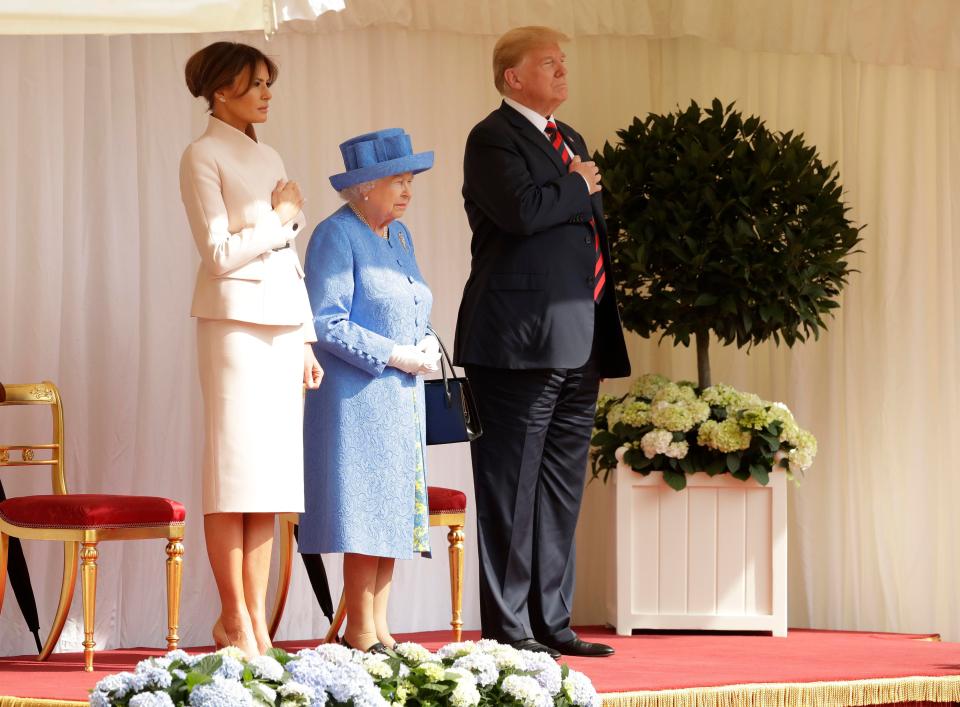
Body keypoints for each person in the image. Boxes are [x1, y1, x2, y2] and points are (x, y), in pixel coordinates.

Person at [453, 26, 631, 658]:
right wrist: (577, 183)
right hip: (515, 344)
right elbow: (524, 214)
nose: (561, 72)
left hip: (578, 339)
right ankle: (509, 628)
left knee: (560, 488)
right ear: (513, 77)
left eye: (563, 63)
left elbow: (587, 239)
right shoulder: (492, 137)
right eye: (548, 64)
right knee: (510, 485)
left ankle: (552, 621)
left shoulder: (571, 139)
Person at [179, 41, 322, 657]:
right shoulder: (201, 155)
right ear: (220, 90)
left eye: (269, 82)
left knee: (272, 482)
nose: (267, 93)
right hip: (234, 325)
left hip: (284, 327)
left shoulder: (272, 153)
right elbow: (217, 253)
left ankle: (258, 622)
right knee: (232, 474)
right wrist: (281, 216)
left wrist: (308, 337)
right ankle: (235, 618)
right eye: (255, 83)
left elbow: (284, 258)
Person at [298, 129, 440, 654]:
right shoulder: (336, 236)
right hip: (356, 398)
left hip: (400, 398)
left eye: (409, 182)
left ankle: (381, 626)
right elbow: (325, 321)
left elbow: (414, 302)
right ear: (361, 188)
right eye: (396, 182)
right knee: (366, 511)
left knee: (396, 510)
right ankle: (360, 629)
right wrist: (393, 353)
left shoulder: (398, 237)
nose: (407, 192)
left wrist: (423, 339)